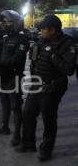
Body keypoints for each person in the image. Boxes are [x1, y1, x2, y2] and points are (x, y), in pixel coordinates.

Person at [16, 15, 76, 162]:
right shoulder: (41, 41)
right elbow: (35, 61)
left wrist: (54, 57)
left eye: (43, 29)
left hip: (51, 88)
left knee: (48, 119)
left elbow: (69, 70)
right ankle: (28, 143)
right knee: (28, 113)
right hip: (36, 85)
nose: (40, 32)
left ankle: (46, 150)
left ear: (52, 30)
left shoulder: (66, 44)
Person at [0, 10, 29, 147]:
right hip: (2, 75)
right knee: (4, 102)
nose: (5, 24)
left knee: (15, 106)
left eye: (8, 22)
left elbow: (16, 59)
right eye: (4, 22)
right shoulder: (5, 37)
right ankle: (5, 127)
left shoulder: (22, 39)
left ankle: (17, 134)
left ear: (16, 23)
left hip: (13, 76)